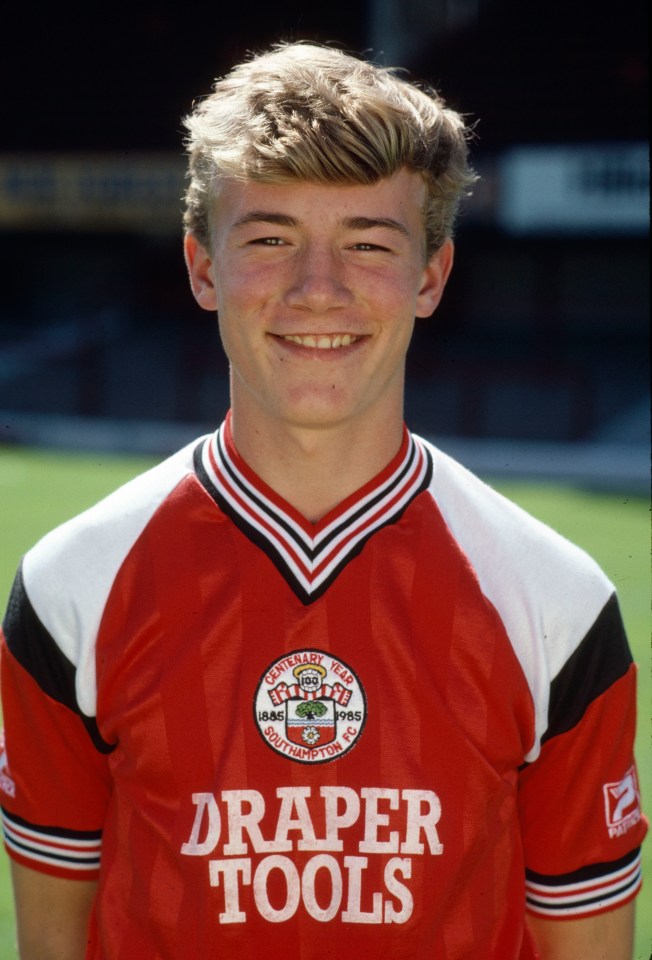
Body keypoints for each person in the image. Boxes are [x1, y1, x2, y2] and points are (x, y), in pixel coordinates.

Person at [0, 41, 646, 960]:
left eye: (368, 244)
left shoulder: (558, 603)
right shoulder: (70, 591)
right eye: (268, 239)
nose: (318, 289)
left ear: (431, 276)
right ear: (201, 266)